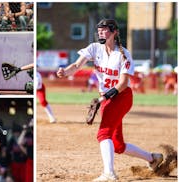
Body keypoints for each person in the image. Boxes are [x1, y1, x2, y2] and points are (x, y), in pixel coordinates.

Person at [56, 19, 163, 181]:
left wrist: (104, 97)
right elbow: (77, 66)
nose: (100, 32)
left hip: (121, 97)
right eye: (99, 30)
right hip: (106, 98)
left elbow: (123, 83)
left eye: (105, 30)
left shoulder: (123, 54)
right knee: (118, 145)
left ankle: (109, 174)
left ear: (114, 33)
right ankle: (153, 158)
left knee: (103, 133)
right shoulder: (94, 48)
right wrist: (65, 71)